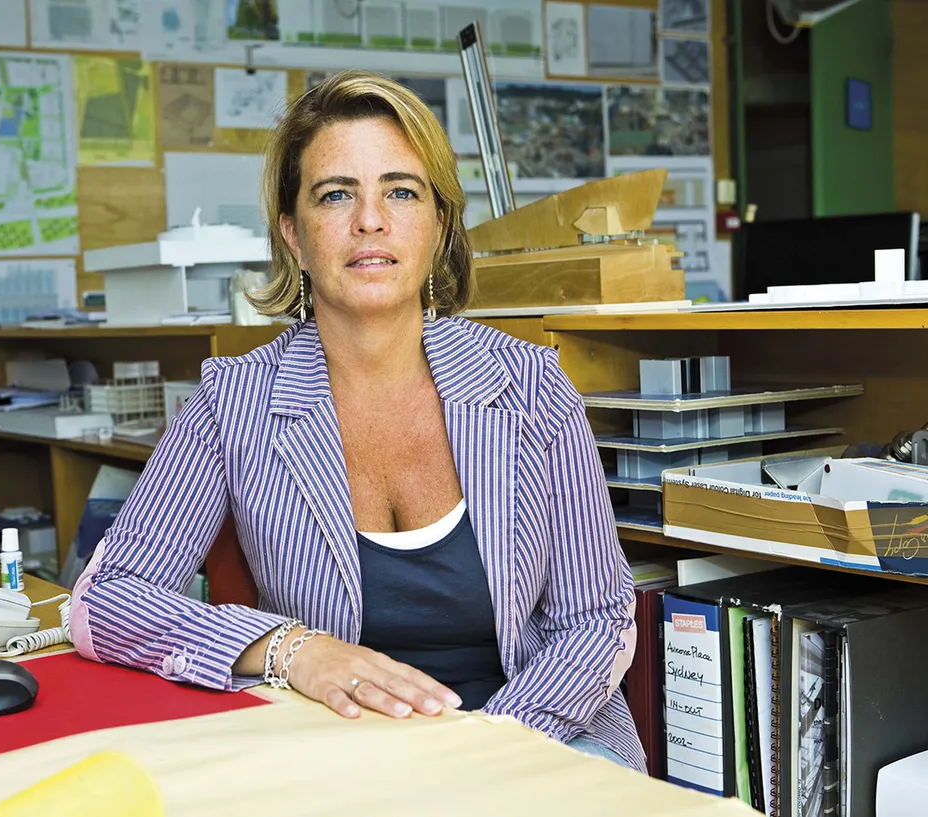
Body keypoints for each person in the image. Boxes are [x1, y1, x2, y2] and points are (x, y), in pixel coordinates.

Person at [70, 69, 643, 772]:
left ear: (436, 223)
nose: (370, 219)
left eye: (401, 191)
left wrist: (488, 744)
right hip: (339, 760)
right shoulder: (232, 401)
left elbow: (599, 618)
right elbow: (106, 603)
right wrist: (290, 648)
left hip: (540, 743)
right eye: (337, 194)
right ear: (294, 235)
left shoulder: (530, 387)